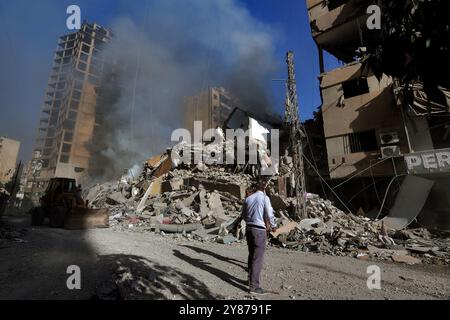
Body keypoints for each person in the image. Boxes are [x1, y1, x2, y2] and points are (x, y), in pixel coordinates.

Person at [236, 180, 277, 295]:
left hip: (249, 229)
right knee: (258, 258)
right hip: (259, 230)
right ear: (264, 189)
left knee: (251, 254)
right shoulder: (264, 198)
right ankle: (254, 286)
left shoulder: (248, 199)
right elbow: (269, 213)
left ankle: (249, 279)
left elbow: (243, 215)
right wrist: (273, 226)